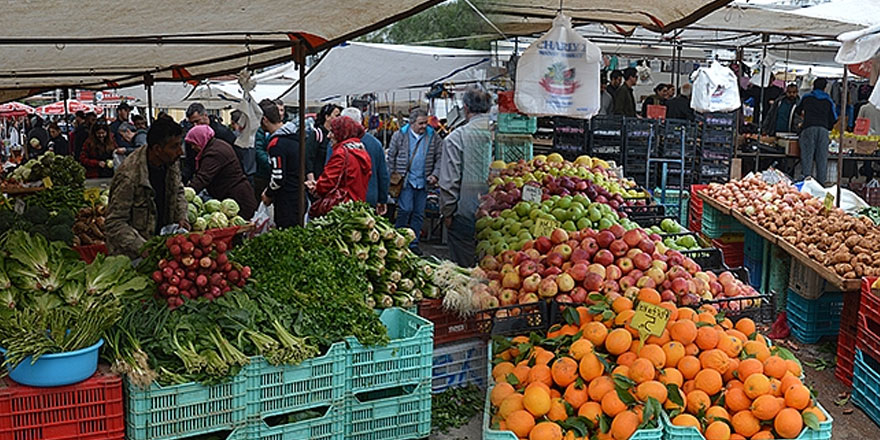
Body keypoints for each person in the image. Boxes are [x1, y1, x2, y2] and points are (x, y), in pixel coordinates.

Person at [105, 118, 188, 259]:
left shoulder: (171, 162)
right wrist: (144, 248)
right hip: (133, 256)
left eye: (180, 145)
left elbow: (178, 190)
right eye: (174, 146)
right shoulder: (129, 175)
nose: (180, 151)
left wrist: (181, 216)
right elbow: (115, 223)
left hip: (161, 244)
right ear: (157, 149)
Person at [439, 87, 493, 267]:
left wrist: (447, 212)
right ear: (489, 108)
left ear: (465, 108)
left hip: (466, 214)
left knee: (465, 270)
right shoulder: (499, 133)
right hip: (502, 214)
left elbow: (449, 182)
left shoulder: (455, 138)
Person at [386, 108, 442, 254]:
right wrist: (391, 175)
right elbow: (391, 156)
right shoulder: (400, 136)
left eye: (425, 123)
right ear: (412, 123)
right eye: (420, 123)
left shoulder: (433, 137)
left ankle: (413, 242)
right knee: (405, 209)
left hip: (424, 181)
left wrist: (435, 174)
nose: (424, 126)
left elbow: (439, 156)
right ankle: (398, 238)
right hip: (405, 180)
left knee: (418, 212)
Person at [184, 125, 258, 219]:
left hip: (238, 198)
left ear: (201, 139)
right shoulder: (215, 145)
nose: (193, 147)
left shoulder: (214, 153)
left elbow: (203, 178)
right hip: (232, 195)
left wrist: (186, 194)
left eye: (194, 144)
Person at [326, 108, 389, 214]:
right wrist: (382, 199)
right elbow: (383, 175)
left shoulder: (335, 144)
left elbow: (328, 172)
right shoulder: (375, 144)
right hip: (369, 196)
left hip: (343, 199)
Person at [308, 116, 372, 215]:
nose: (329, 136)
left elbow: (328, 182)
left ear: (342, 133)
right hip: (357, 206)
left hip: (341, 208)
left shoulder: (341, 153)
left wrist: (316, 187)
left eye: (332, 132)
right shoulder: (361, 150)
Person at [259, 99, 302, 228]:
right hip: (299, 195)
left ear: (265, 120)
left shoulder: (276, 145)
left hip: (287, 200)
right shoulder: (295, 136)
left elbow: (278, 177)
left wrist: (268, 193)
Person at [795, 78, 837, 184]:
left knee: (807, 158)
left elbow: (797, 110)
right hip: (823, 130)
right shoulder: (828, 100)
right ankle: (821, 185)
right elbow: (834, 118)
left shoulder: (807, 97)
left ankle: (806, 184)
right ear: (825, 87)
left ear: (813, 85)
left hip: (808, 128)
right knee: (822, 160)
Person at [184, 103, 238, 182]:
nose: (195, 126)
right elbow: (190, 163)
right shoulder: (192, 136)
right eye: (191, 123)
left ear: (205, 115)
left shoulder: (222, 133)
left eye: (197, 121)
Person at [253, 100, 284, 200]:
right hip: (264, 175)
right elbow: (259, 150)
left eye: (282, 110)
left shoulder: (277, 142)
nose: (280, 113)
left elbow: (278, 177)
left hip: (270, 176)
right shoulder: (262, 131)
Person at [307, 104, 342, 182]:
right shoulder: (317, 134)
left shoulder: (338, 135)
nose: (339, 118)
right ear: (327, 117)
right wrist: (311, 179)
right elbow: (308, 158)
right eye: (336, 115)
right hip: (318, 178)